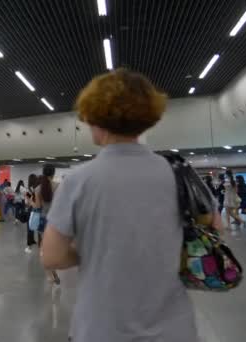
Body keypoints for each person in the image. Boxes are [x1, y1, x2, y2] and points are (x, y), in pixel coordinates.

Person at [41, 69, 201, 341]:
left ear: (95, 117)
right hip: (174, 327)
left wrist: (90, 250)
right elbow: (212, 226)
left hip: (102, 327)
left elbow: (52, 256)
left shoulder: (79, 180)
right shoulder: (177, 172)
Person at [31, 165, 60, 285]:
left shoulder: (38, 189)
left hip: (43, 221)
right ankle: (54, 270)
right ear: (53, 173)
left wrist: (29, 202)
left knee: (44, 248)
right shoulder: (59, 186)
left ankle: (50, 274)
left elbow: (37, 207)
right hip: (56, 221)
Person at [25, 174, 39, 252]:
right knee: (37, 227)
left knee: (30, 227)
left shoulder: (29, 190)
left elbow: (27, 202)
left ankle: (29, 245)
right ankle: (32, 242)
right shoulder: (38, 189)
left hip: (31, 209)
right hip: (38, 209)